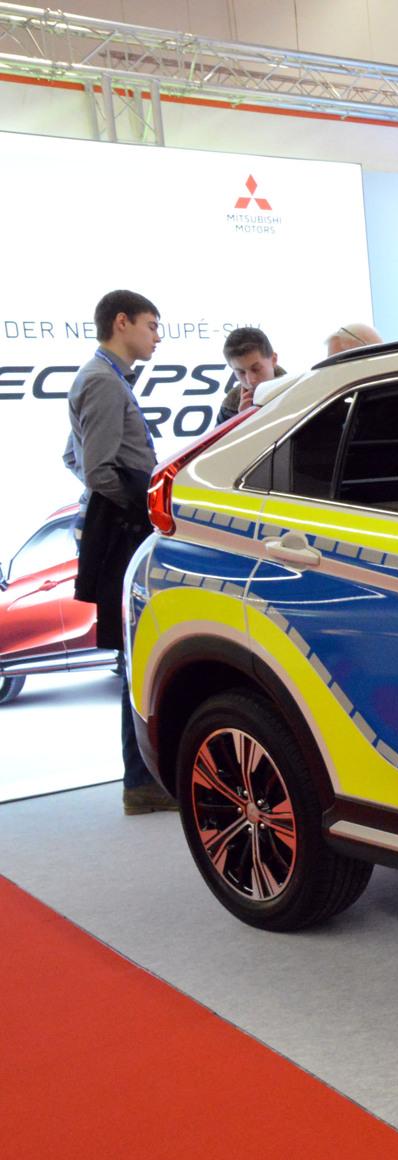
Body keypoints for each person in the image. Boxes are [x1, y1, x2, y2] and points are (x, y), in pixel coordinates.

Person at [63, 289, 176, 815]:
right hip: (125, 529)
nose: (157, 336)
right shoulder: (103, 381)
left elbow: (73, 457)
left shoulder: (103, 378)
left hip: (119, 524)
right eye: (152, 325)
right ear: (123, 321)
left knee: (137, 655)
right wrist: (141, 505)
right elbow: (96, 469)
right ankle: (141, 783)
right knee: (138, 656)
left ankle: (143, 782)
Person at [215, 325, 286, 424]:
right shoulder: (228, 410)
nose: (250, 380)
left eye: (256, 369)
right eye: (241, 372)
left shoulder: (298, 394)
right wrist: (241, 421)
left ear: (273, 360)